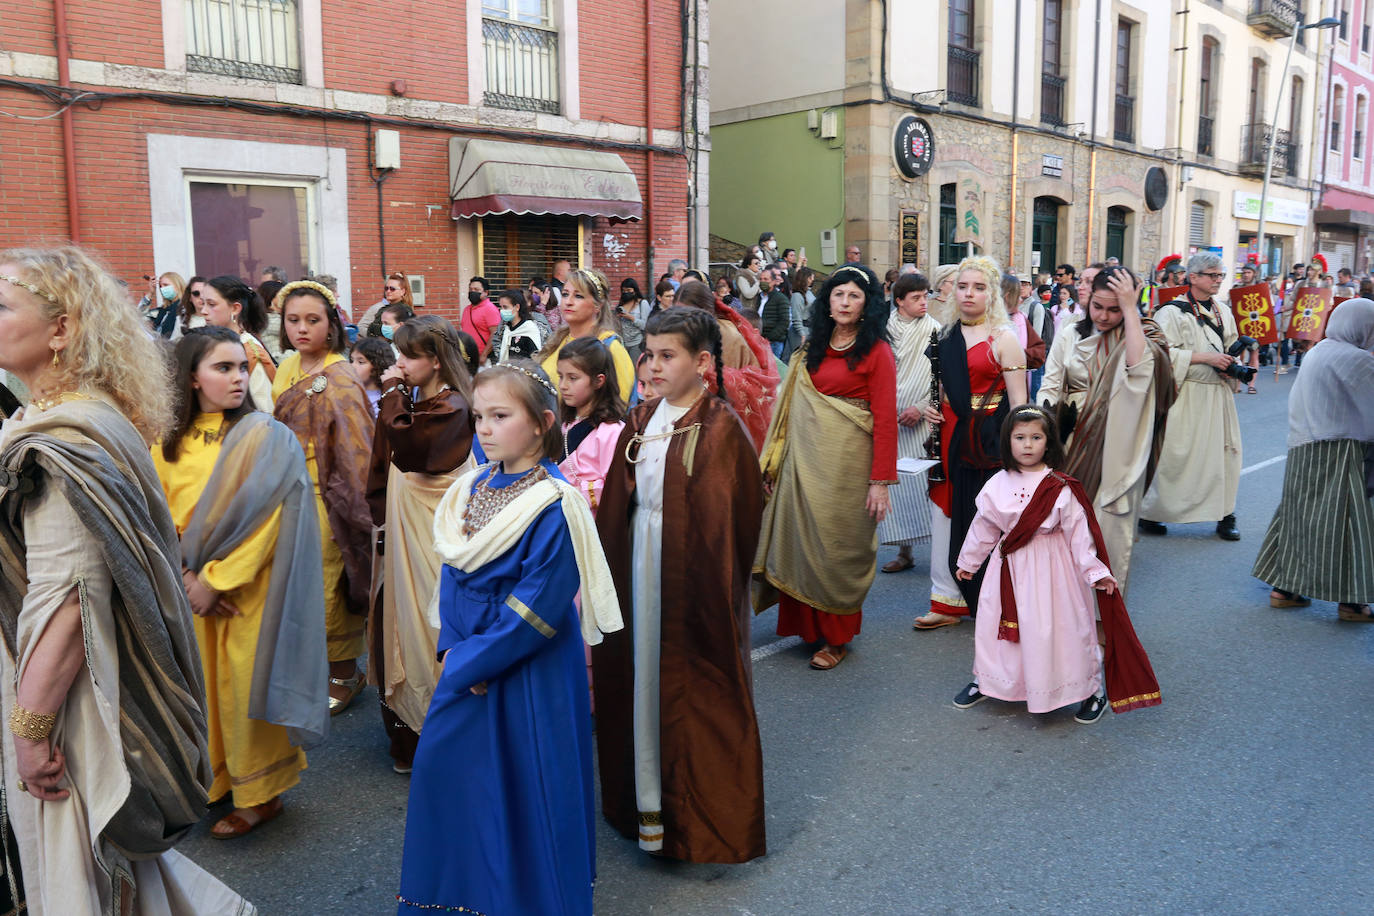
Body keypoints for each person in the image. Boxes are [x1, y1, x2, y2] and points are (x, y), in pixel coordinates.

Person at [0, 247, 252, 913]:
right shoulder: (70, 417)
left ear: (61, 329)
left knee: (77, 866)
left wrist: (30, 730)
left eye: (2, 305)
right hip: (63, 681)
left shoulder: (66, 442)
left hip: (72, 700)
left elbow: (70, 600)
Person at [397, 361, 621, 916]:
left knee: (525, 786)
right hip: (468, 656)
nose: (485, 428)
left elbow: (537, 607)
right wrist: (454, 645)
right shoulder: (472, 485)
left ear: (543, 423)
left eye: (500, 416)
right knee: (453, 780)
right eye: (479, 417)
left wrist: (473, 663)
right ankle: (463, 899)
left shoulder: (557, 503)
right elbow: (452, 571)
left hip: (527, 670)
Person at [593, 307, 766, 862]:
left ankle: (693, 819)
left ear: (703, 361)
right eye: (649, 354)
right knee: (640, 676)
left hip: (691, 578)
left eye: (668, 355)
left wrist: (716, 586)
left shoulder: (720, 426)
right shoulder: (641, 419)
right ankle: (644, 806)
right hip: (639, 563)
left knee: (691, 685)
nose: (654, 365)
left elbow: (736, 516)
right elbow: (619, 500)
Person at [153, 327, 327, 838]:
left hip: (248, 589)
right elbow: (154, 515)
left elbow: (270, 518)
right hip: (188, 589)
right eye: (222, 368)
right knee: (201, 688)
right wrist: (186, 577)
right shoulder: (163, 441)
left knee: (244, 686)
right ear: (191, 377)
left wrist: (217, 581)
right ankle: (215, 781)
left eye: (240, 368)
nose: (237, 378)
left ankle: (261, 795)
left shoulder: (264, 436)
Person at [952, 406, 1160, 722]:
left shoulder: (1061, 486)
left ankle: (1090, 691)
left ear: (1048, 442)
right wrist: (969, 561)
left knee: (1062, 632)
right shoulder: (996, 483)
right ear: (1007, 441)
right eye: (1020, 437)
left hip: (1053, 572)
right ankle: (990, 681)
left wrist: (1095, 572)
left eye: (1036, 437)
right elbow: (984, 527)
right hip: (1008, 569)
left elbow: (1079, 536)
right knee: (998, 629)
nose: (1027, 444)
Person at [754, 263, 898, 669]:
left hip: (850, 472)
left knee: (838, 548)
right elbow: (788, 411)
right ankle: (808, 628)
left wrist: (880, 482)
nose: (845, 302)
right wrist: (774, 463)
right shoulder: (811, 347)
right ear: (827, 302)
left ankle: (836, 639)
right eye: (838, 294)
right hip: (803, 465)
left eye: (854, 296)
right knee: (801, 543)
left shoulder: (877, 352)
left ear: (867, 304)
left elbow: (885, 419)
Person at [366, 315, 475, 774]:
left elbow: (411, 448)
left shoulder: (453, 406)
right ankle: (410, 740)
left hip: (433, 540)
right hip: (404, 532)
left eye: (409, 356)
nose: (399, 364)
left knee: (430, 627)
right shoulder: (414, 401)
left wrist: (391, 392)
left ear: (435, 361)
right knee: (398, 620)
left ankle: (444, 738)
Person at [272, 280, 375, 713]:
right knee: (295, 584)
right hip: (286, 490)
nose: (302, 328)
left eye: (312, 320)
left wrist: (351, 508)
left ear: (330, 324)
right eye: (293, 320)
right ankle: (316, 664)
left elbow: (358, 448)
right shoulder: (286, 367)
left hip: (327, 496)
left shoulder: (341, 376)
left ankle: (345, 672)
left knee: (329, 584)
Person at [1038, 267, 1174, 596]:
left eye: (1114, 309)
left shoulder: (1143, 334)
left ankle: (1103, 617)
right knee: (1065, 526)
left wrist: (1131, 309)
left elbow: (1139, 370)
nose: (1103, 316)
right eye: (1098, 306)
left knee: (1109, 527)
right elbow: (1052, 383)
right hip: (1070, 440)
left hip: (1120, 444)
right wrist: (1043, 426)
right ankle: (1063, 611)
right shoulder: (1071, 332)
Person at [914, 256, 1029, 630]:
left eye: (979, 287)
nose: (969, 293)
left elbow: (1020, 405)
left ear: (992, 294)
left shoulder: (1004, 338)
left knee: (988, 518)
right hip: (949, 435)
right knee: (945, 513)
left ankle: (995, 599)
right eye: (963, 286)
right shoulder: (944, 336)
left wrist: (1020, 455)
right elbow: (941, 390)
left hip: (988, 441)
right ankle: (945, 600)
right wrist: (931, 408)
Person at [1253, 298, 1374, 622]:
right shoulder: (1356, 359)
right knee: (1347, 521)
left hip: (1303, 447)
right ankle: (1353, 602)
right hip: (1340, 449)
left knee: (1298, 516)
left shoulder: (1318, 351)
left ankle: (1285, 589)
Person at [1139, 251, 1243, 541]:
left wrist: (1232, 366)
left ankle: (1225, 514)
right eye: (1212, 275)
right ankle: (1152, 513)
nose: (1218, 280)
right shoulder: (1171, 312)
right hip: (1185, 394)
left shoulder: (1223, 311)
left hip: (1218, 394)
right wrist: (1205, 358)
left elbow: (1231, 345)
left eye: (1221, 275)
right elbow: (1158, 353)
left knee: (1225, 456)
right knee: (1175, 457)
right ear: (1193, 277)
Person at [674, 280, 780, 450]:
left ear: (707, 311)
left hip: (726, 421)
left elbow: (733, 389)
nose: (684, 322)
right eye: (678, 315)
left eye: (690, 315)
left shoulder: (726, 335)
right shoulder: (681, 335)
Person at [879, 272, 938, 573]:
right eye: (916, 298)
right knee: (898, 485)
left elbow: (941, 376)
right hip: (889, 418)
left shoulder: (935, 330)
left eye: (925, 296)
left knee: (926, 485)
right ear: (899, 301)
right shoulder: (884, 329)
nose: (923, 302)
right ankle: (905, 553)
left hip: (922, 419)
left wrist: (921, 407)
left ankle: (942, 554)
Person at [537, 268, 636, 403]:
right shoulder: (558, 339)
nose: (568, 301)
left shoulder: (609, 347)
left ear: (598, 305)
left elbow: (617, 405)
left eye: (578, 296)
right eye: (565, 294)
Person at [556, 338, 626, 510]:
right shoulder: (564, 423)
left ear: (598, 381)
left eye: (573, 378)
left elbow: (614, 486)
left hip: (589, 518)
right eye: (560, 377)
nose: (563, 385)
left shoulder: (610, 431)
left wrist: (574, 492)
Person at [199, 274, 277, 410]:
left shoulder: (251, 351)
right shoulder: (211, 342)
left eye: (211, 304)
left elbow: (265, 409)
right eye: (203, 303)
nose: (204, 311)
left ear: (235, 308)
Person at [491, 288, 544, 364]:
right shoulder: (506, 328)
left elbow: (535, 358)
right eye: (501, 307)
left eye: (505, 307)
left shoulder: (529, 328)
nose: (502, 310)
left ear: (517, 307)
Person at [358, 271, 413, 335]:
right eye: (386, 288)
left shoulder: (405, 310)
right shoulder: (381, 309)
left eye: (392, 289)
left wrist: (375, 330)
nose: (388, 291)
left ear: (402, 291)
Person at [350, 336, 396, 412]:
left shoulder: (382, 401)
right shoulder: (349, 390)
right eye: (352, 361)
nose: (352, 366)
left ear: (377, 367)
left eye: (361, 362)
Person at [463, 276, 502, 362]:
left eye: (476, 289)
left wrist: (484, 355)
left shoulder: (490, 309)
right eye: (470, 289)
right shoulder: (467, 309)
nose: (472, 292)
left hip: (484, 359)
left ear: (486, 292)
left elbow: (495, 334)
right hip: (468, 357)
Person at [759, 265, 790, 357]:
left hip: (773, 343)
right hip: (759, 340)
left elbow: (784, 322)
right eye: (761, 279)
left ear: (773, 281)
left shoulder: (781, 299)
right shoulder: (758, 298)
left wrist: (769, 338)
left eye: (766, 279)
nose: (762, 282)